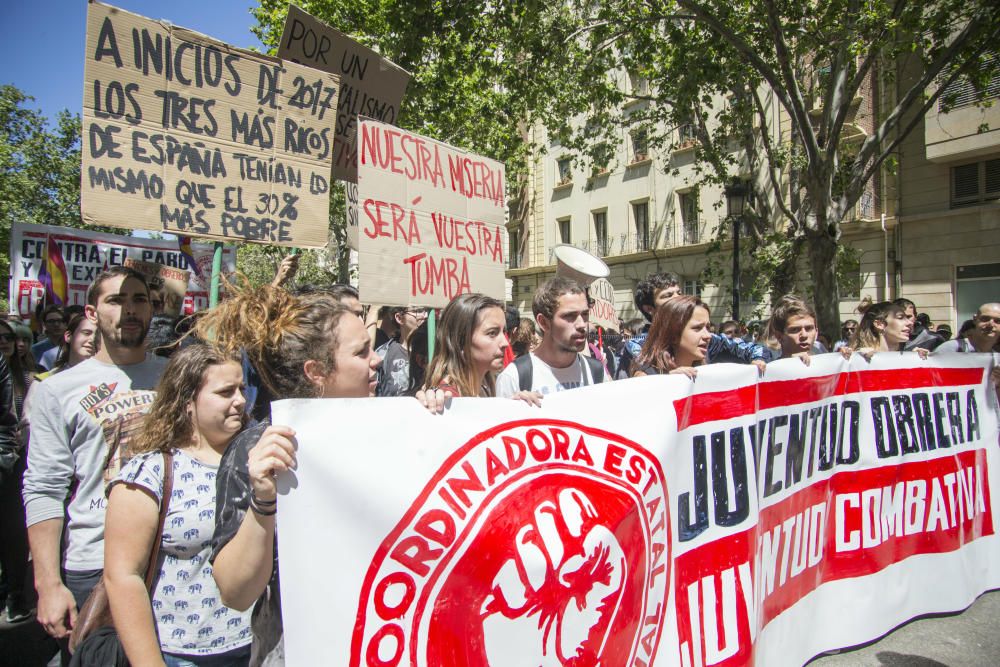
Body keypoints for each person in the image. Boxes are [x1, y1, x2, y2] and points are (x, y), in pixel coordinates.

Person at [197, 285, 381, 666]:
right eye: (361, 351)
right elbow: (235, 592)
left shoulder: (391, 428)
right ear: (316, 372)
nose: (376, 359)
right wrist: (263, 499)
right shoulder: (256, 450)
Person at [23, 267, 164, 648]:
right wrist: (48, 584)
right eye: (115, 300)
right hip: (94, 562)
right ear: (92, 312)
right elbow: (43, 489)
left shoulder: (177, 377)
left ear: (152, 309)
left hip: (169, 557)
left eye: (138, 300)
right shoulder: (57, 390)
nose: (129, 310)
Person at [104, 344, 252, 666]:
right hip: (179, 654)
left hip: (256, 645)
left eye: (241, 388)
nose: (240, 400)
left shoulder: (257, 460)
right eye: (226, 391)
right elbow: (122, 576)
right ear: (187, 402)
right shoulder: (152, 471)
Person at [495, 277, 605, 398]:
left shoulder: (596, 372)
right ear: (543, 322)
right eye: (569, 316)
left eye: (585, 314)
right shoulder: (514, 377)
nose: (582, 325)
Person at [630, 295, 713, 379]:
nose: (708, 335)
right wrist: (668, 381)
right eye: (697, 328)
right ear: (672, 332)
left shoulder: (706, 371)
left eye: (708, 328)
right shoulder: (645, 376)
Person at [620, 272, 682, 374]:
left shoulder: (699, 336)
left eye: (679, 293)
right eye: (668, 295)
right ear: (649, 309)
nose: (678, 298)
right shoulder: (637, 346)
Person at [375, 306, 427, 397]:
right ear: (399, 318)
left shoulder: (437, 351)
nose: (425, 315)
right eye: (418, 311)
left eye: (426, 311)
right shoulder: (383, 354)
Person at [849, 300, 930, 357]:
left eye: (907, 318)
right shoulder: (857, 359)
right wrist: (856, 358)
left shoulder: (909, 357)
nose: (910, 323)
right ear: (879, 324)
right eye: (900, 318)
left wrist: (915, 361)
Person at [933, 303, 1000, 355]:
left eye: (998, 321)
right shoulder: (951, 348)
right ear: (975, 319)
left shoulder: (996, 358)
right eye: (985, 319)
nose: (991, 324)